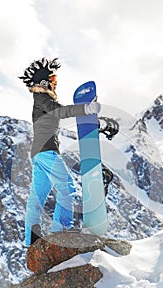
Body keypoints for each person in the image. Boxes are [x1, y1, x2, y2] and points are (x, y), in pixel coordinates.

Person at [19, 57, 100, 246]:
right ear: (45, 83)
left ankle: (30, 238)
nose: (56, 84)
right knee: (67, 186)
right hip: (47, 152)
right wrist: (85, 109)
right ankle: (61, 228)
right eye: (53, 80)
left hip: (38, 154)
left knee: (37, 196)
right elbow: (59, 111)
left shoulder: (39, 100)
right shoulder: (43, 99)